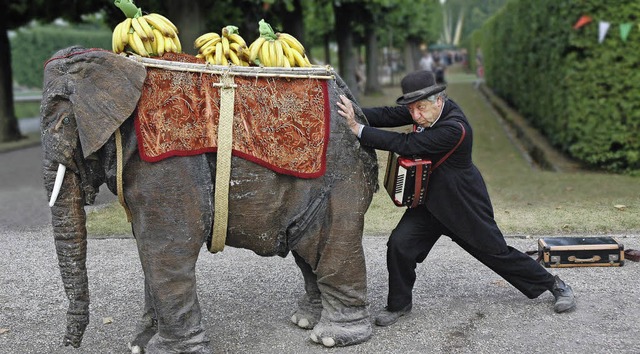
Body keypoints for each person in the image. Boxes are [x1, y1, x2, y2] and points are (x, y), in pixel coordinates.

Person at [336, 70, 576, 327]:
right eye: (412, 109)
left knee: (497, 253)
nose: (415, 115)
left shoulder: (455, 128)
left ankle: (556, 285)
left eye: (420, 109)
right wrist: (354, 110)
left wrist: (356, 128)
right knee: (399, 245)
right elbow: (387, 114)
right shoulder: (424, 108)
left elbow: (406, 144)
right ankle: (399, 304)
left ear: (439, 101)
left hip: (462, 205)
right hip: (429, 203)